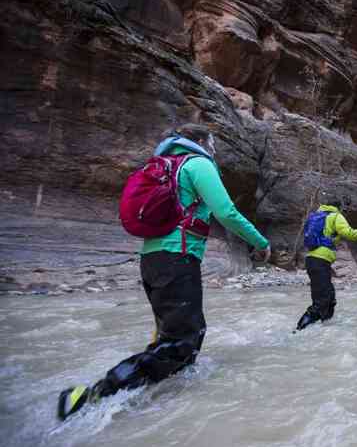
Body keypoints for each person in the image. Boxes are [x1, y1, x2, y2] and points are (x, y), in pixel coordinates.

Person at [57, 123, 271, 420]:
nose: (214, 151)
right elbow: (226, 212)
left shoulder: (162, 166)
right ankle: (93, 396)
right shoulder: (197, 163)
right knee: (183, 341)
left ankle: (156, 406)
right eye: (212, 145)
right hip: (177, 260)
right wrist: (260, 243)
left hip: (153, 261)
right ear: (198, 141)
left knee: (170, 336)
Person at [295, 195, 357, 331]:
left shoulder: (316, 216)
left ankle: (326, 328)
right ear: (339, 207)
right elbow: (348, 233)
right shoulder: (335, 216)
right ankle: (298, 331)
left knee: (330, 297)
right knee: (322, 300)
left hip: (312, 260)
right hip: (320, 260)